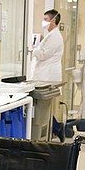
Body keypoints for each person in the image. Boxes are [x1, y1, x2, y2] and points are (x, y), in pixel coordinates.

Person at [30, 9, 65, 139]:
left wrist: (33, 49)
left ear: (53, 20)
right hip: (45, 75)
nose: (43, 22)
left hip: (47, 76)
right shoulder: (51, 35)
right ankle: (56, 127)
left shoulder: (55, 36)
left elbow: (43, 55)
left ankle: (56, 127)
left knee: (43, 108)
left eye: (46, 19)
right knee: (44, 108)